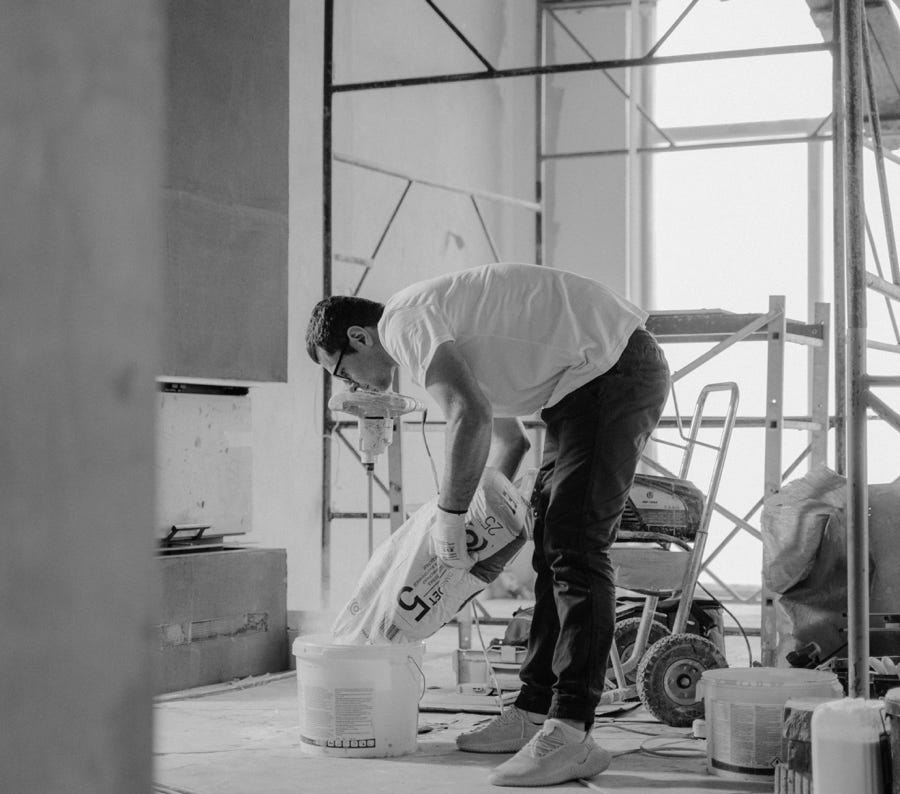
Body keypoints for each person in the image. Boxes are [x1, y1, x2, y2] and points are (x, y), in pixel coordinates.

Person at [305, 262, 670, 787]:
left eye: (340, 370)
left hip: (613, 370)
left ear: (360, 336)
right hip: (583, 384)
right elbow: (510, 441)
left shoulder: (403, 322)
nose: (349, 384)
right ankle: (534, 710)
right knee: (552, 549)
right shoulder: (441, 334)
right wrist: (481, 518)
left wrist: (450, 521)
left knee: (575, 548)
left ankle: (571, 732)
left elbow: (469, 416)